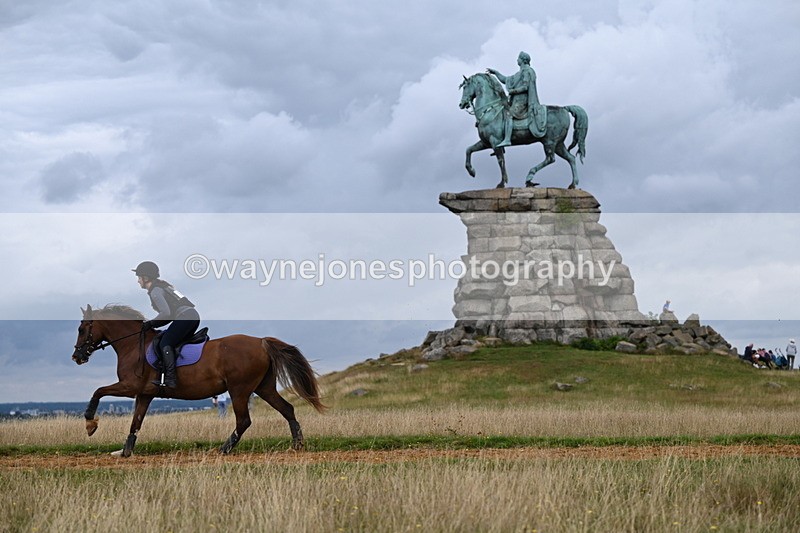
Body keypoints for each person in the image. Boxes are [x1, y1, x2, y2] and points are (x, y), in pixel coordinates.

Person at [133, 261, 200, 388]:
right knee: (173, 342)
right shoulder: (163, 287)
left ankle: (170, 379)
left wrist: (150, 324)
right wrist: (153, 325)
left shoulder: (155, 291)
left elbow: (166, 313)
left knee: (165, 343)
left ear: (146, 278)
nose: (138, 281)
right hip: (191, 316)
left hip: (185, 317)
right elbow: (169, 315)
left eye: (139, 277)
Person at [486, 51, 547, 147]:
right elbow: (505, 80)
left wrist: (514, 91)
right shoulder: (519, 73)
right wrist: (496, 73)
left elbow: (525, 87)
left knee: (508, 114)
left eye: (518, 58)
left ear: (522, 60)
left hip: (523, 101)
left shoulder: (527, 71)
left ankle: (507, 139)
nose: (517, 60)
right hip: (516, 101)